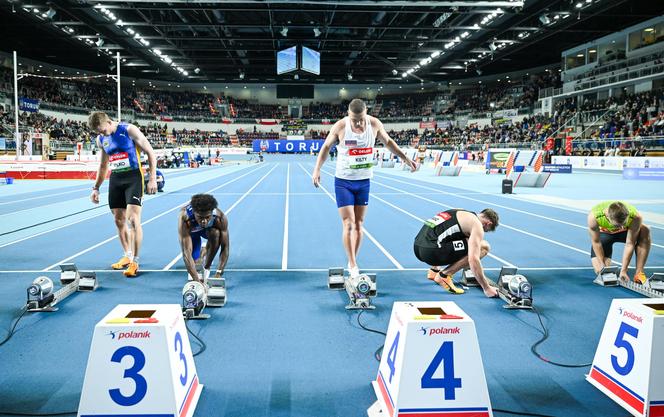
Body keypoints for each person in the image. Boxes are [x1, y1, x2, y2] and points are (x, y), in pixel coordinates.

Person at [312, 98, 417, 278]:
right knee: (348, 223)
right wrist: (317, 169)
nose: (358, 123)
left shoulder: (374, 124)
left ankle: (353, 259)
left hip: (364, 182)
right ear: (348, 115)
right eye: (354, 120)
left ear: (366, 113)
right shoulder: (340, 127)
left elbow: (389, 142)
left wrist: (405, 158)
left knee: (359, 224)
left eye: (361, 119)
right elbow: (326, 147)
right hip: (343, 181)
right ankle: (352, 264)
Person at [88, 111, 157, 277]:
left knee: (133, 220)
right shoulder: (101, 139)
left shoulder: (129, 130)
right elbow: (103, 166)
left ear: (109, 122)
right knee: (118, 220)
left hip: (133, 177)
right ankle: (127, 255)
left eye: (103, 130)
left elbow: (150, 152)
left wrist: (152, 178)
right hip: (116, 179)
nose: (101, 133)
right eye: (98, 132)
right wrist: (96, 187)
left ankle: (135, 261)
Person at [413, 208, 500, 297]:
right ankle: (444, 276)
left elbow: (439, 230)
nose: (484, 231)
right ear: (488, 224)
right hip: (430, 252)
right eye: (486, 230)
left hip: (417, 247)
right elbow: (473, 259)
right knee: (483, 247)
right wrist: (486, 288)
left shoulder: (460, 211)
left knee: (454, 235)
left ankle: (434, 270)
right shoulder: (477, 225)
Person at [588, 201, 651, 284]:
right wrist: (602, 265)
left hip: (625, 233)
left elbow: (630, 243)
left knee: (645, 229)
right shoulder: (594, 217)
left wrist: (624, 270)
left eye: (624, 223)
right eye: (618, 225)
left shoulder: (635, 216)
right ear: (607, 217)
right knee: (600, 271)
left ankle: (639, 273)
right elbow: (596, 242)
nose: (621, 227)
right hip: (605, 235)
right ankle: (607, 264)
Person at [178, 194, 230, 283]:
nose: (204, 221)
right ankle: (203, 252)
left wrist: (219, 273)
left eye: (207, 217)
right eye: (200, 217)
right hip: (192, 234)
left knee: (216, 234)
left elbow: (225, 247)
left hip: (208, 231)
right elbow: (186, 253)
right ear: (194, 212)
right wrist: (197, 281)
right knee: (196, 262)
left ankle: (207, 265)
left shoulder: (220, 218)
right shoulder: (185, 218)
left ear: (212, 212)